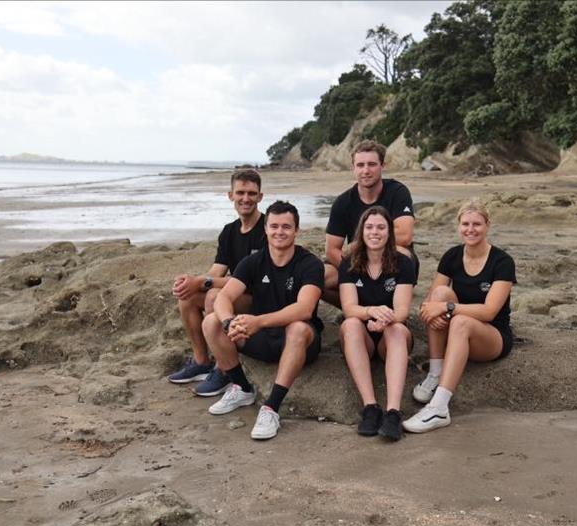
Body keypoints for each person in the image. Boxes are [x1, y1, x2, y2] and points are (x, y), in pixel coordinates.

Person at [202, 201, 324, 440]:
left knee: (298, 328)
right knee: (211, 322)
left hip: (298, 343)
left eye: (286, 227)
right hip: (259, 339)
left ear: (296, 230)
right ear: (266, 229)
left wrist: (258, 321)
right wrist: (229, 323)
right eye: (274, 226)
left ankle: (271, 408)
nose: (280, 232)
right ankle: (242, 388)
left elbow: (304, 308)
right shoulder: (253, 262)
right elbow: (224, 296)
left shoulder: (310, 263)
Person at [404, 198, 516, 434]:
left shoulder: (502, 261)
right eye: (465, 224)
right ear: (458, 226)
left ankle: (439, 408)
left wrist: (447, 309)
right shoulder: (452, 256)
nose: (470, 229)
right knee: (441, 293)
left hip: (491, 336)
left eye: (477, 224)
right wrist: (435, 305)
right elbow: (432, 299)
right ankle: (435, 373)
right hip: (457, 329)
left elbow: (489, 311)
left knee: (458, 319)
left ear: (487, 225)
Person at [168, 169, 265, 397]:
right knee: (188, 296)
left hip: (261, 295)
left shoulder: (268, 228)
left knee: (214, 295)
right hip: (236, 294)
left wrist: (206, 282)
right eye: (240, 192)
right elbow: (216, 271)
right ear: (230, 195)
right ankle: (202, 361)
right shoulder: (229, 231)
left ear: (260, 196)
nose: (246, 198)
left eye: (252, 193)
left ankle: (223, 369)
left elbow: (250, 280)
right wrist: (192, 282)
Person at [338, 206, 414, 441]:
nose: (374, 232)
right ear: (361, 232)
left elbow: (402, 311)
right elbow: (349, 307)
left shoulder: (403, 262)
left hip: (390, 336)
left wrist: (385, 320)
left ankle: (392, 412)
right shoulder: (349, 263)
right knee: (350, 324)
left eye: (381, 227)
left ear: (389, 232)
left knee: (397, 329)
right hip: (362, 335)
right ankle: (370, 407)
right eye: (369, 227)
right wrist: (371, 311)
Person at [323, 139, 418, 307]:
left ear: (383, 165)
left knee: (403, 252)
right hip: (358, 263)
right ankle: (354, 306)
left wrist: (356, 245)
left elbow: (405, 236)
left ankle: (392, 305)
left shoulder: (397, 192)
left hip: (390, 259)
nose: (366, 171)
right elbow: (331, 250)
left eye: (372, 164)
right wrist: (354, 273)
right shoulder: (343, 202)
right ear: (353, 168)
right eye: (360, 165)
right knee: (317, 277)